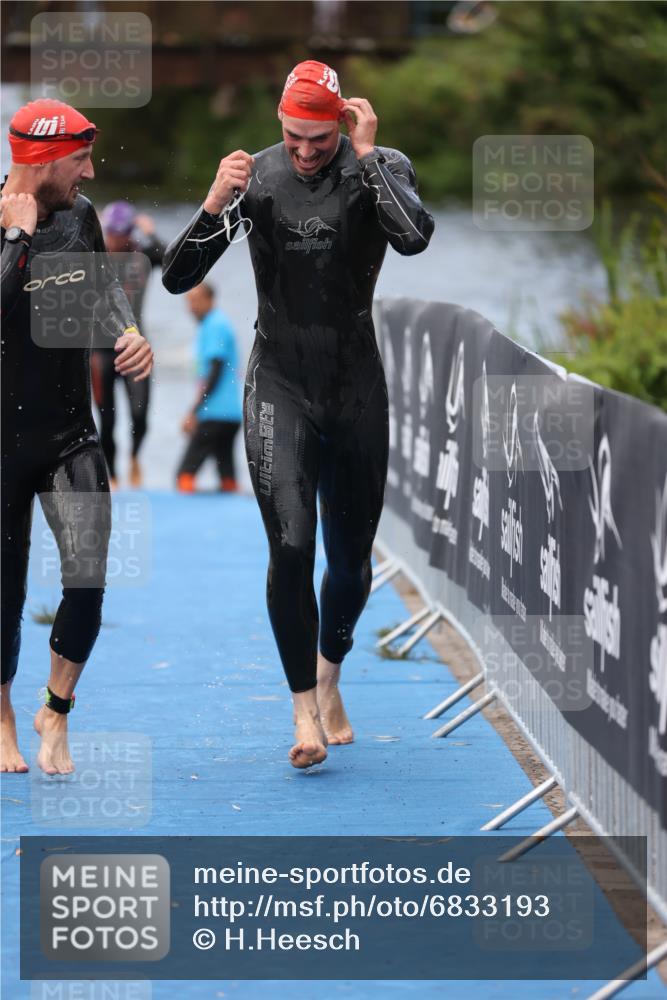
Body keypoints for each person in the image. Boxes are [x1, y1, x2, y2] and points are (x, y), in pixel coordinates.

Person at [163, 61, 434, 768]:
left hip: (354, 388)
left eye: (318, 139)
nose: (305, 151)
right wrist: (212, 201)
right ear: (279, 124)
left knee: (347, 562)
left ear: (342, 122)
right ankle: (303, 712)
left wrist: (369, 158)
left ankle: (330, 671)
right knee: (290, 546)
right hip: (279, 381)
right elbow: (176, 279)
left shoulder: (379, 167)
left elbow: (412, 237)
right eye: (292, 137)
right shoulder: (253, 176)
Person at [1, 99, 153, 774]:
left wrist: (125, 331)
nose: (90, 171)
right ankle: (2, 713)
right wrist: (16, 240)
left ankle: (55, 710)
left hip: (68, 433)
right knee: (3, 590)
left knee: (88, 574)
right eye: (81, 160)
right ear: (44, 161)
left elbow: (103, 293)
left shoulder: (82, 217)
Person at [91, 200, 165, 488]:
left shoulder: (141, 255)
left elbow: (170, 258)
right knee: (106, 420)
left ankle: (134, 455)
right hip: (99, 349)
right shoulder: (95, 254)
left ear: (130, 232)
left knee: (140, 413)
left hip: (134, 347)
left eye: (119, 234)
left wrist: (152, 232)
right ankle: (111, 474)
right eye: (109, 233)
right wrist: (87, 226)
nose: (114, 240)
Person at [176, 281, 242, 493]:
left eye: (196, 300)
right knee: (226, 471)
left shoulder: (215, 325)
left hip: (215, 412)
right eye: (189, 302)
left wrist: (194, 411)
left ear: (210, 300)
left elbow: (215, 372)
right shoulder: (214, 324)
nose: (191, 307)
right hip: (231, 414)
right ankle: (231, 503)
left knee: (184, 474)